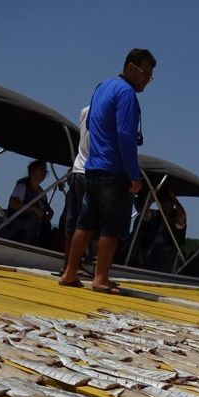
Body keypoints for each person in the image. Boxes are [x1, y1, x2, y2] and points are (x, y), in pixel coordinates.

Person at [60, 48, 156, 293]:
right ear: (131, 67)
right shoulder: (126, 93)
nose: (147, 80)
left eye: (150, 76)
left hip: (92, 166)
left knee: (85, 223)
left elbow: (92, 123)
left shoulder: (102, 87)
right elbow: (125, 135)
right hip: (114, 169)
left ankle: (70, 272)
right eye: (145, 73)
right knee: (112, 227)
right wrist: (133, 174)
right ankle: (100, 278)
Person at [135, 185, 187, 271]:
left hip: (168, 253)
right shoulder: (156, 215)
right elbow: (144, 213)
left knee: (160, 250)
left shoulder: (176, 217)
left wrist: (173, 197)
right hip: (150, 249)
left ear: (173, 203)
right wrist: (152, 199)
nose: (164, 204)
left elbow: (182, 215)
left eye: (167, 201)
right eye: (162, 201)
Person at [62, 105, 90, 265]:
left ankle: (67, 263)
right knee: (86, 221)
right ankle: (75, 264)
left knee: (72, 219)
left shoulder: (84, 111)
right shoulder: (108, 112)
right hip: (92, 171)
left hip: (78, 168)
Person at [4, 160, 53, 246]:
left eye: (45, 171)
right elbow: (13, 204)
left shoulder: (41, 192)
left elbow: (46, 209)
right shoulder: (22, 187)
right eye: (41, 169)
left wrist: (50, 213)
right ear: (32, 171)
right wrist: (34, 209)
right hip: (17, 223)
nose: (44, 173)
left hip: (36, 227)